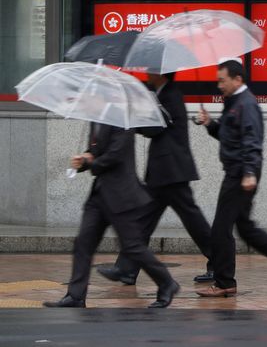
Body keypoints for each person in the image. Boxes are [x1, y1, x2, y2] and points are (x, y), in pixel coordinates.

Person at [194, 59, 267, 297]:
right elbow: (227, 136)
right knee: (245, 229)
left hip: (240, 174)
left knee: (220, 229)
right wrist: (209, 123)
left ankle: (225, 283)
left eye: (222, 81)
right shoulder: (234, 103)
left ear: (237, 79)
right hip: (237, 172)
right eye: (218, 81)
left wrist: (249, 173)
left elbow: (252, 142)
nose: (219, 85)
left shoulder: (247, 104)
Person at [97, 72, 214, 286]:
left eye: (150, 70)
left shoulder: (171, 94)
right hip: (164, 171)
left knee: (192, 220)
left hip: (171, 170)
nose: (147, 73)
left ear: (160, 74)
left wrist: (133, 121)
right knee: (145, 220)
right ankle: (127, 269)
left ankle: (220, 262)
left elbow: (156, 127)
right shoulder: (160, 93)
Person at [43, 123, 179, 308]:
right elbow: (97, 151)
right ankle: (75, 296)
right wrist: (83, 159)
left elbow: (115, 155)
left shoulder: (122, 121)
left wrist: (89, 162)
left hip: (121, 195)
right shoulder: (96, 120)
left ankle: (167, 283)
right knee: (83, 242)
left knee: (132, 246)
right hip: (99, 195)